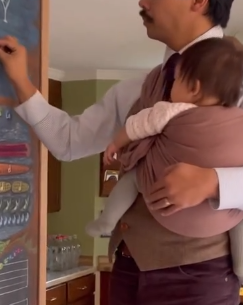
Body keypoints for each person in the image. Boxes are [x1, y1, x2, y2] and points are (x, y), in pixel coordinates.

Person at [0, 0, 242, 305]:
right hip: (127, 273)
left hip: (198, 280)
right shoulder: (136, 91)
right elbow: (68, 142)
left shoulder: (239, 83)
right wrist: (22, 83)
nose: (142, 0)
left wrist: (214, 182)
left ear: (198, 0)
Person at [85, 38, 243, 284]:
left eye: (178, 80)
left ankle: (107, 220)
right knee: (239, 214)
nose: (172, 86)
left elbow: (137, 126)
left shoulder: (171, 110)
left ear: (195, 88)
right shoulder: (237, 119)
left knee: (134, 177)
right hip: (218, 221)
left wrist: (116, 143)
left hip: (187, 247)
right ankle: (241, 261)